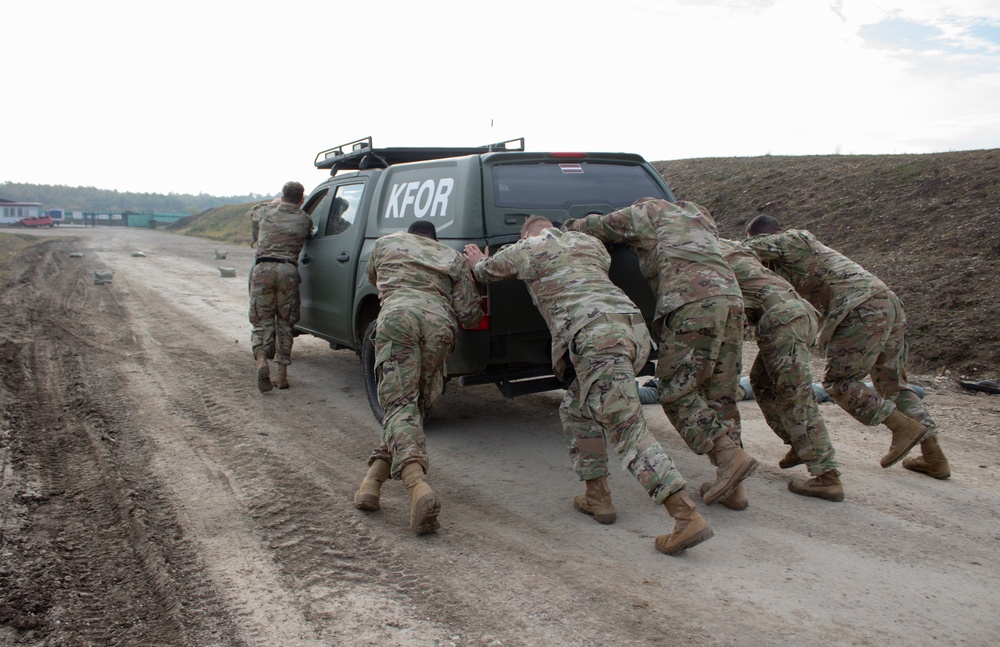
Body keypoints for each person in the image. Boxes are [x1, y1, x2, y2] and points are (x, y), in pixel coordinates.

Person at [463, 216, 713, 556]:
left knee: (626, 428)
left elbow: (483, 272)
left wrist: (478, 259)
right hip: (632, 330)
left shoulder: (526, 249)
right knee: (577, 408)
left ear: (525, 234)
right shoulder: (589, 244)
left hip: (597, 338)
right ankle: (597, 496)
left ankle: (684, 514)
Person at [564, 198, 759, 508]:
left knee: (674, 391)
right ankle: (733, 487)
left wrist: (569, 228)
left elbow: (599, 226)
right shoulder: (699, 215)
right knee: (720, 392)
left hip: (692, 301)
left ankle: (728, 453)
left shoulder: (646, 211)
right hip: (731, 300)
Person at [744, 215, 949, 479]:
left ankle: (900, 426)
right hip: (885, 303)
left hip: (861, 308)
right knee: (892, 382)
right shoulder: (797, 254)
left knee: (839, 383)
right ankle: (933, 455)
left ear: (762, 235)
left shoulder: (793, 239)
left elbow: (746, 249)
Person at [353, 220, 483, 536]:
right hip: (439, 328)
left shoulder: (384, 245)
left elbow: (373, 277)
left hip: (398, 319)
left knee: (400, 406)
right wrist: (473, 273)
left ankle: (417, 486)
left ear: (410, 235)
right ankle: (372, 482)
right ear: (435, 239)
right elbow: (470, 314)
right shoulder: (451, 257)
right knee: (412, 408)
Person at [719, 238, 843, 502]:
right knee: (761, 382)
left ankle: (827, 477)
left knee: (795, 395)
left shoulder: (708, 252)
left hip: (781, 319)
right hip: (798, 313)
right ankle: (799, 444)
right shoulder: (735, 247)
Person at [248, 182, 312, 392]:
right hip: (288, 271)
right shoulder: (305, 219)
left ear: (282, 196)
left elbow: (253, 213)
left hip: (263, 268)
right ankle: (281, 375)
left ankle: (261, 361)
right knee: (285, 322)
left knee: (261, 320)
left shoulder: (267, 211)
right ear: (302, 200)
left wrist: (274, 203)